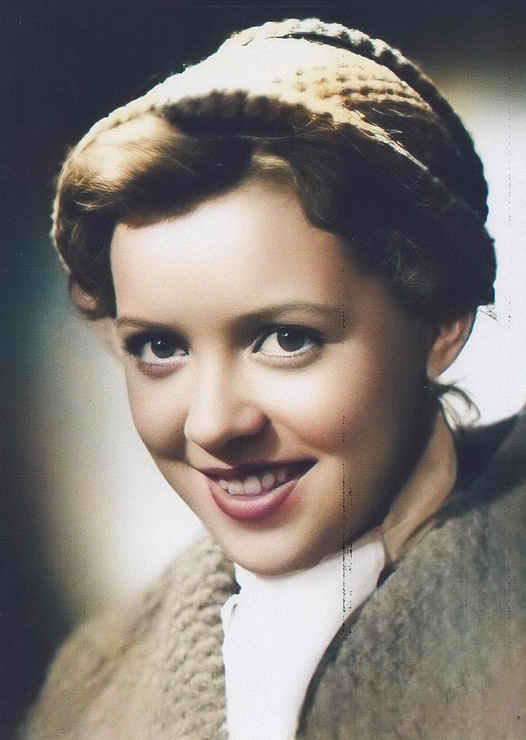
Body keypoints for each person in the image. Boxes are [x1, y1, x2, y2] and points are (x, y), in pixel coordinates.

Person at [23, 18, 526, 740]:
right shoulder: (90, 689)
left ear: (441, 321)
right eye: (160, 347)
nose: (213, 425)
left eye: (286, 339)